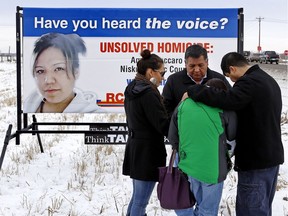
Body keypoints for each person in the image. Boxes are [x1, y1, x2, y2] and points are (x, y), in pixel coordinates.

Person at [186, 52, 284, 216]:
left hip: (255, 161)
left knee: (250, 210)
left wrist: (194, 91)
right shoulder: (267, 80)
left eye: (230, 77)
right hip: (271, 158)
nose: (232, 82)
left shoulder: (248, 83)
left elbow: (227, 99)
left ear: (232, 68)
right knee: (262, 208)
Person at [168, 78, 237, 216]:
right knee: (208, 210)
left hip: (188, 165)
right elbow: (232, 137)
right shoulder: (225, 109)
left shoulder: (183, 105)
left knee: (189, 202)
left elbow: (172, 136)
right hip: (213, 169)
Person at [122, 49, 170, 216]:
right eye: (162, 72)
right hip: (148, 153)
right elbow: (162, 124)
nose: (163, 77)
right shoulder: (148, 92)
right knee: (140, 203)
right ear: (151, 72)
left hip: (136, 148)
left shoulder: (132, 87)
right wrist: (181, 110)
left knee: (136, 199)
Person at [23, 32, 105, 113]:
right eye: (40, 71)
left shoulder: (94, 114)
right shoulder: (29, 105)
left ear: (76, 72)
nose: (48, 81)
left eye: (58, 69)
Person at [162, 44, 231, 118]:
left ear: (207, 62)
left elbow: (230, 102)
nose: (197, 70)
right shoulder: (173, 80)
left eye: (200, 65)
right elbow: (165, 109)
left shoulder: (219, 80)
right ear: (185, 64)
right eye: (192, 66)